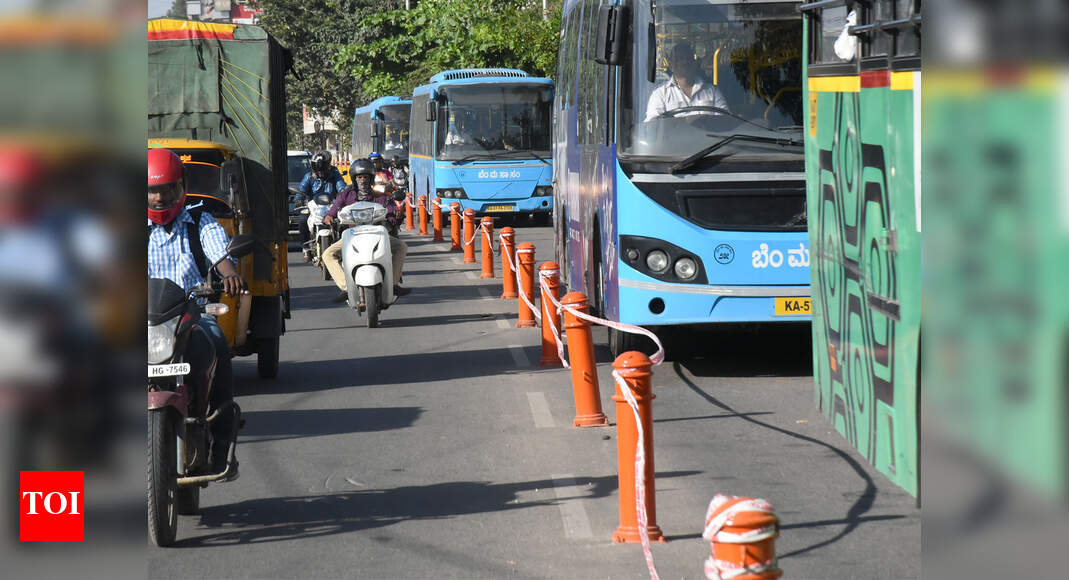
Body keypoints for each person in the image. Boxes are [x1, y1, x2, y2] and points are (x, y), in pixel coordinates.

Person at [147, 148, 243, 479]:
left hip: (193, 313)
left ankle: (221, 441)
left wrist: (228, 272)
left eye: (167, 190)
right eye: (152, 191)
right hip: (146, 319)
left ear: (181, 188)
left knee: (216, 343)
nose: (159, 198)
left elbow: (219, 251)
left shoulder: (200, 220)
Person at [321, 159, 409, 304]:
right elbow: (334, 209)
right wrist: (329, 217)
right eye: (359, 177)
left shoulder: (380, 196)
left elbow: (392, 209)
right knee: (327, 254)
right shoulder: (346, 195)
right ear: (354, 179)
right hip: (352, 236)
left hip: (377, 235)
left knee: (401, 247)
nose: (362, 180)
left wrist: (395, 216)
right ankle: (345, 287)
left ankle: (393, 284)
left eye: (366, 177)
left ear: (371, 178)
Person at [644, 42, 729, 122]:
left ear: (694, 62)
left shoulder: (712, 92)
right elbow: (652, 125)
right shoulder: (660, 94)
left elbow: (725, 121)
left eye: (688, 58)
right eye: (679, 59)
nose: (684, 62)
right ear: (671, 65)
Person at [297, 151, 347, 260]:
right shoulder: (309, 176)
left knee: (345, 221)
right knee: (302, 219)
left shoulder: (335, 174)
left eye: (322, 167)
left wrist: (344, 195)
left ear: (328, 165)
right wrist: (299, 199)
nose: (319, 170)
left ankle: (345, 247)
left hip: (332, 205)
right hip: (313, 206)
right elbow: (301, 190)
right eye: (317, 167)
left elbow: (341, 187)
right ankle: (306, 249)